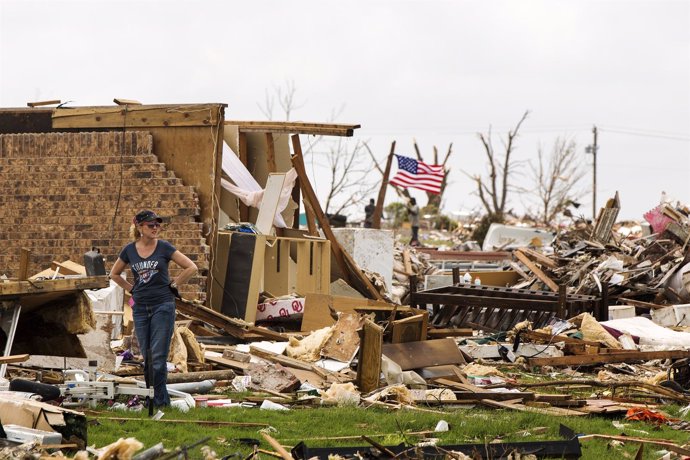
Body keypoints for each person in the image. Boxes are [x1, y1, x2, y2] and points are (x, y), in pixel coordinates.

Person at [110, 210, 198, 407]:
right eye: (151, 225)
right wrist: (131, 289)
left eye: (157, 224)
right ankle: (154, 399)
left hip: (162, 306)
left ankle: (159, 402)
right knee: (147, 357)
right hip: (140, 307)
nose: (155, 227)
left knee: (158, 357)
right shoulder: (129, 250)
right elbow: (114, 274)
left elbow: (191, 267)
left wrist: (175, 285)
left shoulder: (164, 247)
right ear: (140, 227)